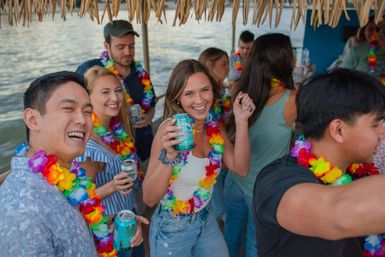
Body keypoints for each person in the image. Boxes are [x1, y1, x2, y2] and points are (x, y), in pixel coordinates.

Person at [253, 68, 385, 257]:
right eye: (375, 125)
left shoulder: (356, 173)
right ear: (338, 130)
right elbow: (341, 214)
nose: (383, 133)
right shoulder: (277, 180)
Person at [142, 59, 256, 257]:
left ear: (213, 90)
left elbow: (241, 168)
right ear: (177, 98)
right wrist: (169, 157)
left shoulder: (215, 127)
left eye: (205, 90)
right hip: (172, 225)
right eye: (189, 93)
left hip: (205, 216)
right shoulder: (169, 132)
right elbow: (149, 198)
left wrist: (241, 121)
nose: (199, 100)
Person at [0, 72, 103, 256]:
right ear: (33, 119)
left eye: (87, 112)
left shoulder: (65, 176)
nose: (82, 119)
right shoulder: (23, 209)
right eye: (68, 108)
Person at [224, 33, 297, 257]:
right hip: (262, 191)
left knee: (231, 234)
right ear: (284, 60)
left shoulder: (239, 88)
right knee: (257, 245)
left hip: (234, 182)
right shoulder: (293, 99)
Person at [76, 66, 148, 257]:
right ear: (88, 97)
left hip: (129, 218)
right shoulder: (85, 144)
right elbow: (79, 201)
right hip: (108, 231)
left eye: (117, 91)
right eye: (105, 92)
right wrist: (112, 186)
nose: (115, 98)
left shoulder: (117, 130)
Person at [76, 19, 156, 165]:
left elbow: (152, 104)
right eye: (121, 47)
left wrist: (149, 116)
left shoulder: (140, 73)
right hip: (107, 148)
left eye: (131, 46)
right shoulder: (90, 70)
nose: (128, 52)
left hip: (144, 144)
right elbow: (77, 106)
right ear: (107, 46)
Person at [198, 47, 231, 220]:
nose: (228, 68)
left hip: (219, 147)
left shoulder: (219, 89)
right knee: (217, 204)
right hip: (210, 151)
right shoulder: (206, 92)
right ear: (210, 65)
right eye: (224, 64)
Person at [341, 17, 385, 81]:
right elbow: (342, 75)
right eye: (370, 29)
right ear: (363, 31)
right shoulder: (356, 48)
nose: (375, 33)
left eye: (377, 29)